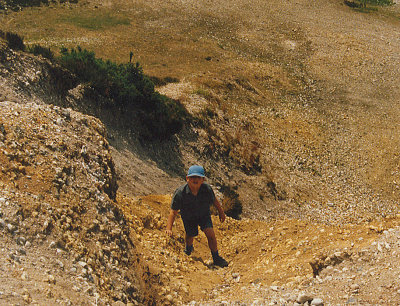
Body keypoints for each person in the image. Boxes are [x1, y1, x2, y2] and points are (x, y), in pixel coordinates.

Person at [165, 165, 228, 267]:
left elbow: (214, 200)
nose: (195, 180)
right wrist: (169, 228)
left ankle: (216, 258)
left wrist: (221, 212)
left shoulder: (207, 189)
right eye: (192, 177)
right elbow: (173, 212)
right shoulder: (180, 193)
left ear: (203, 179)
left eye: (198, 177)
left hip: (204, 214)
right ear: (187, 178)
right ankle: (188, 251)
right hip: (189, 217)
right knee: (190, 235)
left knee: (211, 235)